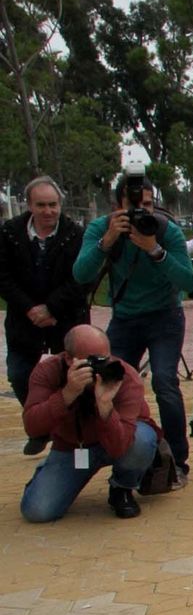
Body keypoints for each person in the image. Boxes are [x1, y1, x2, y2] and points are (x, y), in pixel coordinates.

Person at [72, 170, 193, 477]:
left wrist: (155, 250)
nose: (142, 211)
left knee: (165, 381)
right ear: (117, 205)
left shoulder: (166, 230)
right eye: (134, 204)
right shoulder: (102, 228)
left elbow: (188, 281)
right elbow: (80, 274)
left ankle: (177, 461)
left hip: (165, 316)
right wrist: (108, 240)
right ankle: (113, 447)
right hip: (125, 317)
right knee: (109, 378)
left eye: (149, 204)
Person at [20, 324, 158, 521]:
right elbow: (32, 427)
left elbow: (121, 445)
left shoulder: (124, 376)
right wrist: (67, 394)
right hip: (73, 446)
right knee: (37, 511)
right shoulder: (48, 371)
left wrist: (105, 404)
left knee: (143, 440)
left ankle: (122, 488)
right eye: (92, 361)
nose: (101, 367)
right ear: (69, 359)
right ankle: (50, 473)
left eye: (105, 358)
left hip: (119, 440)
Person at [0, 176, 90, 456]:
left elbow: (82, 278)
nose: (48, 211)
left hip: (66, 318)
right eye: (41, 205)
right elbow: (2, 276)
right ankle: (39, 428)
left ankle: (75, 435)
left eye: (53, 205)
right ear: (29, 205)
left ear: (60, 204)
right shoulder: (9, 233)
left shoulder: (76, 234)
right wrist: (30, 308)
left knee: (75, 377)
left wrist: (51, 308)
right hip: (23, 319)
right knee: (18, 373)